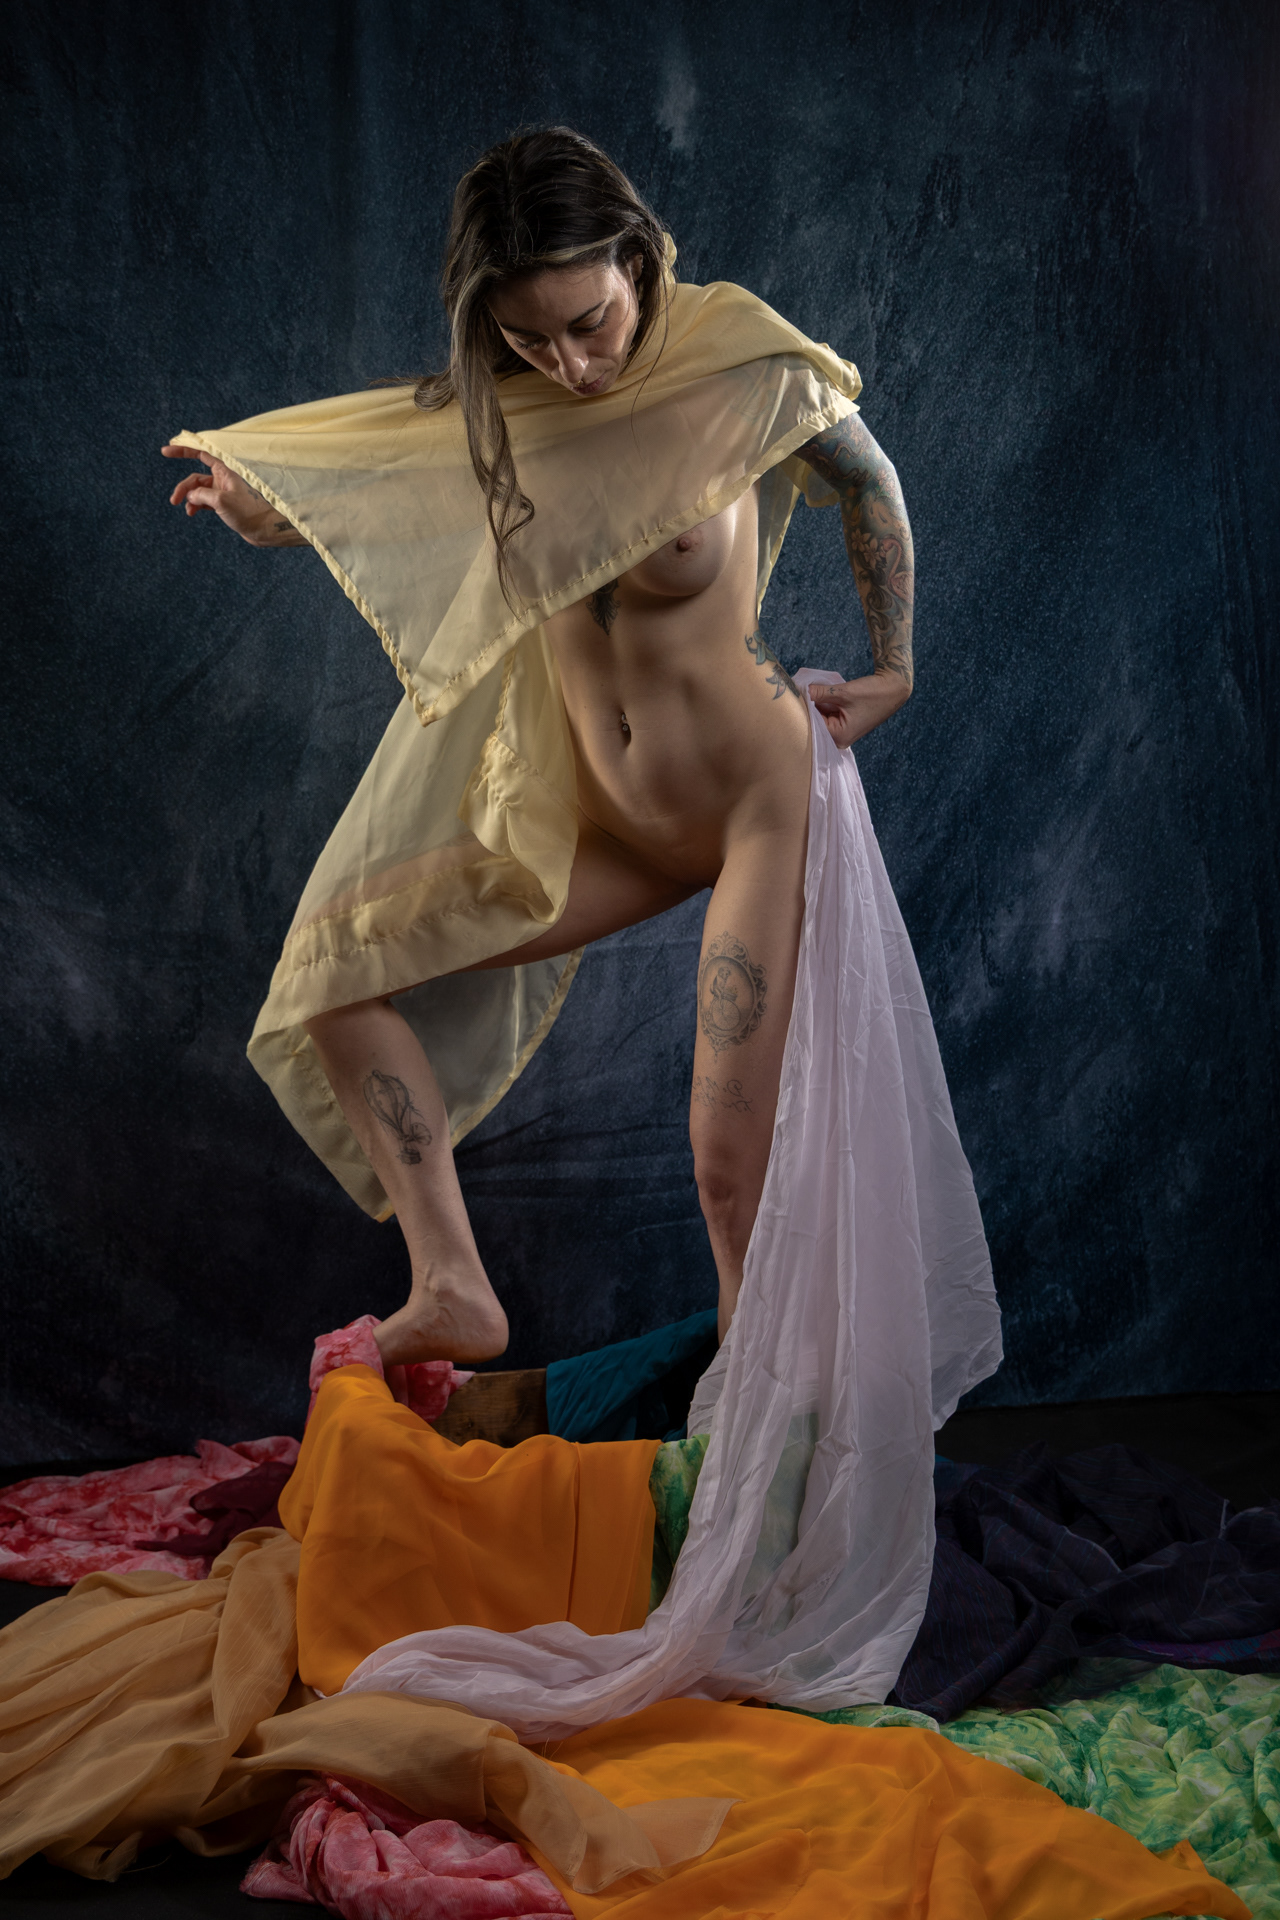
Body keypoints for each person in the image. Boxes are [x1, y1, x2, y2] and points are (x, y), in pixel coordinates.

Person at [161, 126, 916, 1368]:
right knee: (334, 983)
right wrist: (259, 506)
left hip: (752, 805)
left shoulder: (734, 362)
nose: (568, 364)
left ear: (637, 263)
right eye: (527, 339)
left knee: (726, 1170)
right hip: (603, 823)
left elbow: (867, 480)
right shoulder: (501, 418)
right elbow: (376, 472)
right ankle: (452, 1286)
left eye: (589, 323)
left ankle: (757, 1444)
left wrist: (893, 667)